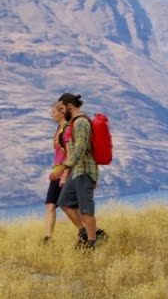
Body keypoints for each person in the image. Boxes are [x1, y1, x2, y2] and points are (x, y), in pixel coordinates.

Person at [55, 93, 107, 249]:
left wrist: (62, 167)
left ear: (70, 106)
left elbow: (80, 149)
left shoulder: (82, 122)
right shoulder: (74, 123)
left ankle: (91, 244)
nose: (62, 112)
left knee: (86, 209)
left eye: (62, 109)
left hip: (84, 170)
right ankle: (85, 233)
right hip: (76, 170)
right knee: (64, 202)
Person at [41, 103, 71, 244]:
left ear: (62, 113)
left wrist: (64, 175)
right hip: (56, 173)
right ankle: (47, 238)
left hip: (64, 173)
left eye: (53, 112)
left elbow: (70, 156)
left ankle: (90, 232)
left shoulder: (66, 130)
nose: (51, 114)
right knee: (50, 205)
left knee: (69, 207)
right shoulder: (58, 129)